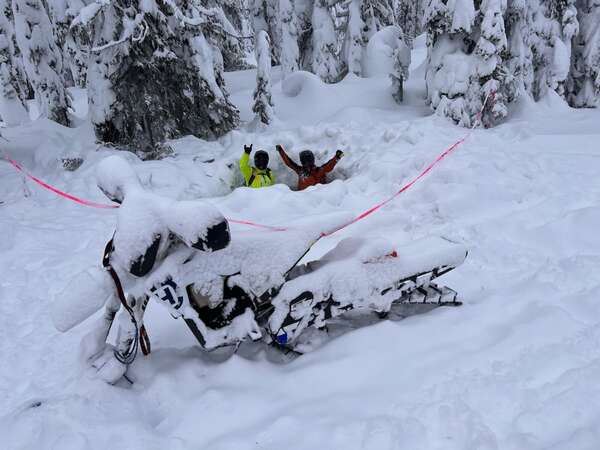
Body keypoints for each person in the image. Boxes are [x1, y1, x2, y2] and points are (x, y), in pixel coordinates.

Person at [276, 144, 344, 191]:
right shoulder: (301, 170)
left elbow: (329, 165)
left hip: (317, 200)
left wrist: (337, 157)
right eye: (305, 160)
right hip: (302, 199)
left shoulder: (319, 170)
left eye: (308, 160)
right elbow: (289, 162)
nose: (307, 162)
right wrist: (281, 151)